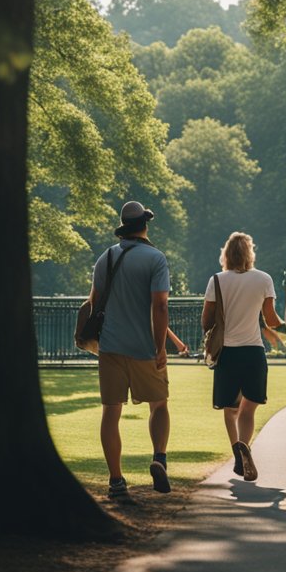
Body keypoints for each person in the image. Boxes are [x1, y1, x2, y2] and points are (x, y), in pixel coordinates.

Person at [89, 200, 172, 502]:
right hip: (144, 348)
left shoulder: (105, 259)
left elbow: (95, 302)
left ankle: (116, 481)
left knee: (111, 413)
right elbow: (160, 305)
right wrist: (161, 347)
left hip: (110, 347)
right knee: (159, 405)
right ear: (145, 225)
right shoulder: (155, 258)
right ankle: (159, 458)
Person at [202, 231, 283, 482]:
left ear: (226, 254)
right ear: (250, 253)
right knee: (248, 409)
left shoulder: (217, 280)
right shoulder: (263, 279)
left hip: (227, 352)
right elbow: (271, 320)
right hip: (253, 351)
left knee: (230, 409)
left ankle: (238, 455)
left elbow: (206, 320)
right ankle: (245, 446)